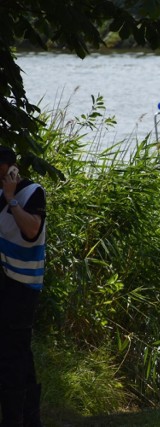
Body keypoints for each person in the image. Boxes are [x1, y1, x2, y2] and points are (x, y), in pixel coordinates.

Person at [0, 147, 46, 426]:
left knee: (12, 356)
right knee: (19, 355)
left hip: (22, 286)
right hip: (4, 284)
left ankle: (14, 420)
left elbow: (31, 231)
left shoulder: (32, 193)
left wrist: (11, 199)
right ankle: (30, 419)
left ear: (11, 169)